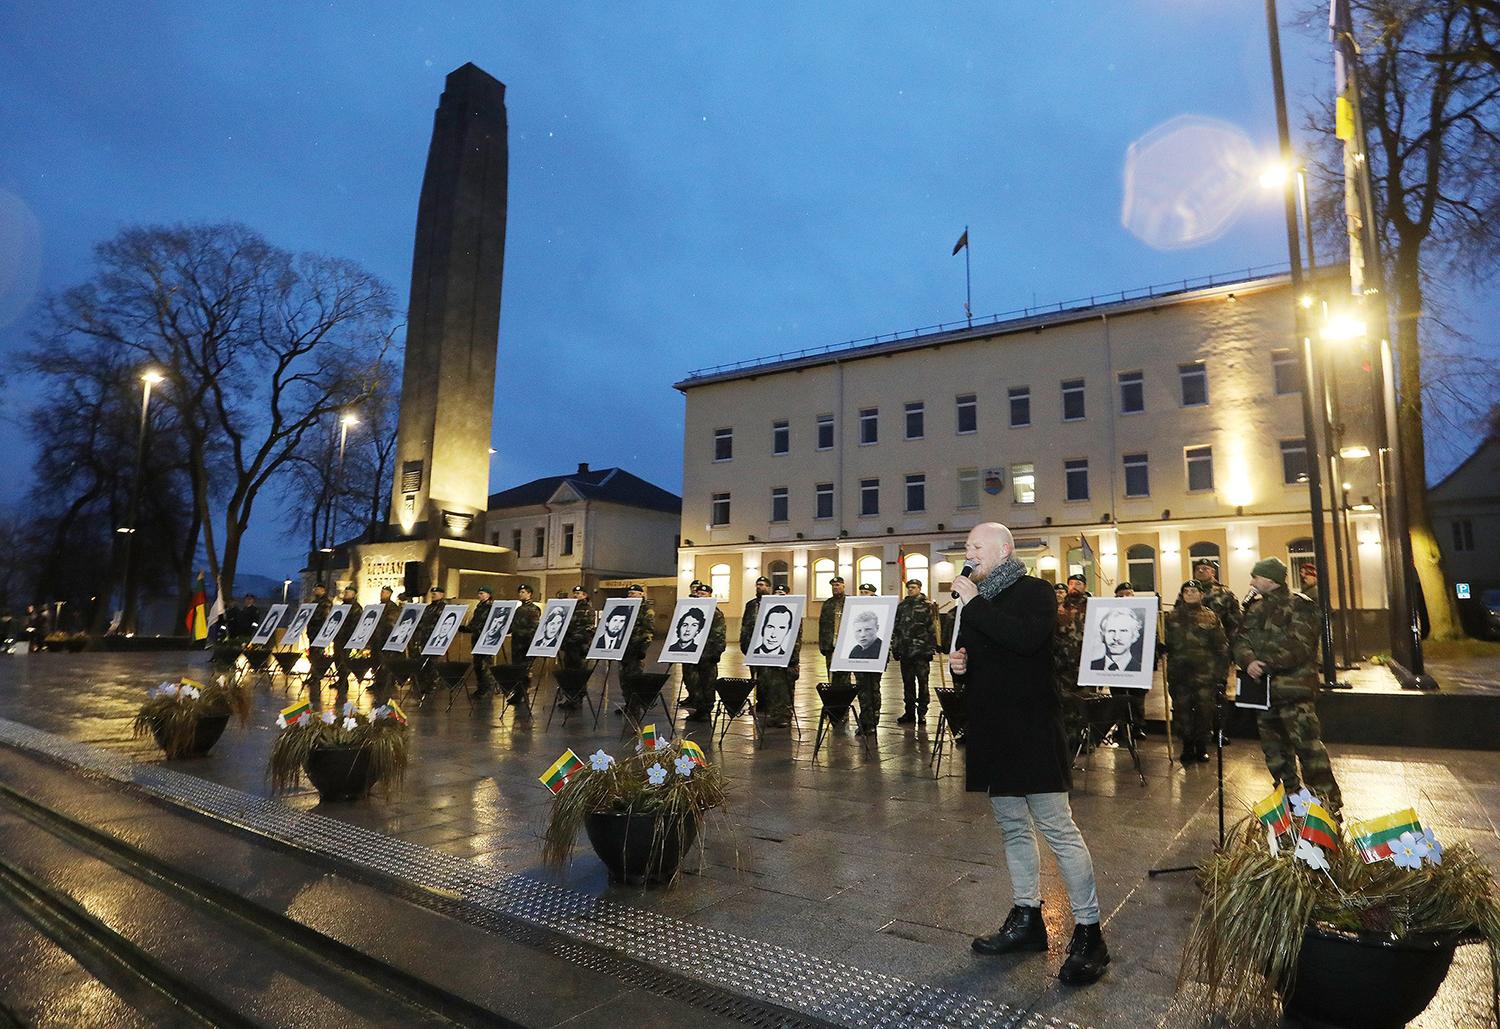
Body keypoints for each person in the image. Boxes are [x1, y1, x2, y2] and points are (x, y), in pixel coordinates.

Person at [952, 522, 1109, 987]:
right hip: (993, 732)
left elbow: (1025, 641)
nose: (969, 552)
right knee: (1012, 827)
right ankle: (1027, 919)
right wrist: (961, 667)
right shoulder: (974, 600)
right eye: (967, 546)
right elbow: (977, 657)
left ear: (1003, 550)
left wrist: (974, 604)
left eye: (976, 546)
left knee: (1058, 828)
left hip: (1032, 730)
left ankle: (1090, 933)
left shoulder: (1035, 591)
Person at [1232, 557, 1343, 815]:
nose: (1252, 582)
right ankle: (1290, 801)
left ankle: (1326, 808)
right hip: (1264, 693)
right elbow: (1240, 640)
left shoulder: (1301, 606)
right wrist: (1248, 661)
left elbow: (1300, 645)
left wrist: (1264, 663)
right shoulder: (1255, 609)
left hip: (1294, 691)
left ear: (1270, 579)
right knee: (1275, 753)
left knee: (1309, 749)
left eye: (1256, 577)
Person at [1163, 580, 1229, 764]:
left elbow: (1221, 647)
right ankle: (1187, 745)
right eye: (1186, 591)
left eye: (1194, 591)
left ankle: (1201, 746)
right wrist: (1161, 647)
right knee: (1181, 711)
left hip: (1205, 674)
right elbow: (1164, 641)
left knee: (1204, 711)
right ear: (1182, 595)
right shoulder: (1171, 617)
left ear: (1202, 595)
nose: (1190, 594)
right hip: (1179, 674)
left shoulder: (1211, 617)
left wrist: (1221, 674)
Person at [892, 578, 938, 726]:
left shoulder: (927, 606)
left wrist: (932, 648)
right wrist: (895, 648)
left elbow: (932, 628)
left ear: (919, 588)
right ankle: (909, 712)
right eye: (909, 587)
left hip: (921, 652)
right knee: (908, 683)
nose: (911, 589)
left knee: (923, 683)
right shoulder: (902, 606)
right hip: (905, 651)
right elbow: (896, 628)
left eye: (913, 587)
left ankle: (922, 712)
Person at [755, 602, 801, 729]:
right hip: (765, 664)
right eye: (770, 626)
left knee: (783, 689)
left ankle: (783, 716)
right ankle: (773, 714)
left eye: (781, 628)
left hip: (785, 665)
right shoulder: (758, 652)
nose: (773, 634)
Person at [851, 583, 885, 735]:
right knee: (862, 690)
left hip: (876, 657)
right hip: (860, 659)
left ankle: (872, 721)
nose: (863, 595)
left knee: (873, 689)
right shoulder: (857, 609)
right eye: (861, 592)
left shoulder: (881, 608)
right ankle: (864, 721)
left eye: (866, 592)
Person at [328, 584, 361, 707]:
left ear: (354, 594)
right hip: (339, 638)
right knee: (338, 660)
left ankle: (343, 683)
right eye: (345, 592)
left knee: (344, 662)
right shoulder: (342, 607)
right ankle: (341, 680)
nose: (346, 594)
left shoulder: (356, 608)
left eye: (348, 593)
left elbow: (356, 624)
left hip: (347, 639)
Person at [464, 585, 498, 697]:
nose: (479, 595)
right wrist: (467, 628)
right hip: (476, 639)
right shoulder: (479, 607)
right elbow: (474, 623)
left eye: (482, 593)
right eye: (479, 593)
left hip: (485, 640)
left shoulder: (491, 608)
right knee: (478, 665)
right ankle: (481, 688)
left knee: (485, 665)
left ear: (488, 595)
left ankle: (488, 689)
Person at [818, 576, 851, 689]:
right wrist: (823, 646)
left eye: (837, 585)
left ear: (843, 586)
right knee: (831, 674)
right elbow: (822, 625)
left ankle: (845, 697)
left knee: (844, 675)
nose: (835, 587)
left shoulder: (850, 602)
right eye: (833, 586)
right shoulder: (828, 604)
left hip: (845, 646)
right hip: (830, 645)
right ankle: (834, 696)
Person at [622, 584, 654, 680]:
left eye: (633, 593)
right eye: (629, 594)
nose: (630, 596)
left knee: (634, 674)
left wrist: (643, 648)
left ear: (641, 594)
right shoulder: (626, 608)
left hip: (637, 646)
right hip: (625, 646)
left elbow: (648, 630)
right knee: (623, 674)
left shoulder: (646, 610)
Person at [560, 585, 594, 671]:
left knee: (578, 667)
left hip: (580, 644)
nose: (575, 595)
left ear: (584, 595)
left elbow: (588, 627)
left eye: (578, 593)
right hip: (569, 643)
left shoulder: (588, 609)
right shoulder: (571, 608)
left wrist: (578, 637)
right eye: (574, 593)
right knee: (568, 666)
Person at [511, 584, 541, 668]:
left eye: (523, 592)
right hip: (516, 643)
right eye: (519, 592)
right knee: (516, 667)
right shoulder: (519, 609)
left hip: (526, 643)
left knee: (525, 668)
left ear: (529, 594)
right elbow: (514, 624)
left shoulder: (534, 609)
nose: (520, 594)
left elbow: (534, 627)